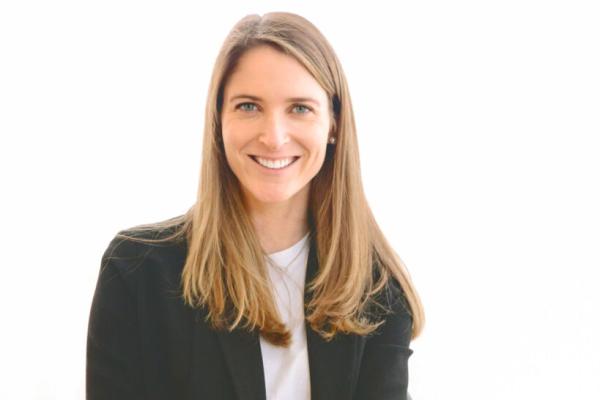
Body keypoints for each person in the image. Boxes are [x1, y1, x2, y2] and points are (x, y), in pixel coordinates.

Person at [86, 11, 425, 400]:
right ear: (219, 119)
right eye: (249, 106)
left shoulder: (376, 287)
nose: (274, 137)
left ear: (333, 123)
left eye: (299, 108)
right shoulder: (136, 271)